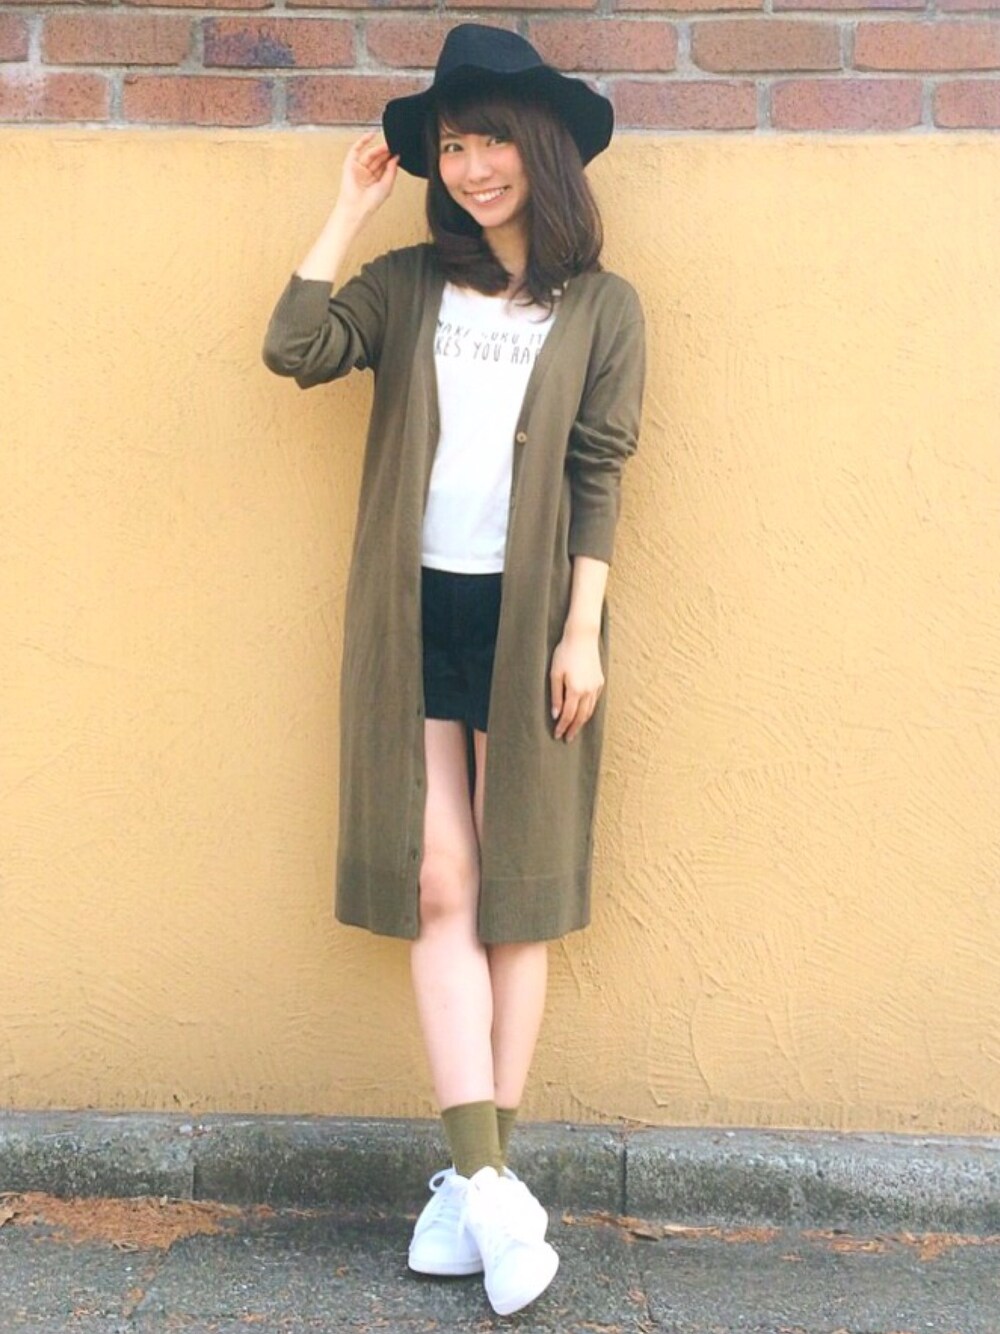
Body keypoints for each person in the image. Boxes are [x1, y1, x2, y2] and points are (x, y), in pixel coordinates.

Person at [262, 22, 645, 1318]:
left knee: (513, 897)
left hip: (531, 621)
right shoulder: (409, 282)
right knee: (441, 881)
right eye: (453, 145)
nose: (473, 167)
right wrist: (346, 208)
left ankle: (478, 1181)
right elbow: (295, 346)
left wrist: (583, 628)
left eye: (492, 142)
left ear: (543, 149)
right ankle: (488, 1189)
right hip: (415, 612)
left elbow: (599, 469)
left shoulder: (603, 306)